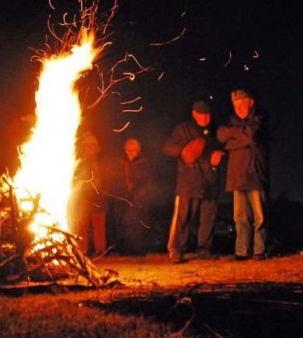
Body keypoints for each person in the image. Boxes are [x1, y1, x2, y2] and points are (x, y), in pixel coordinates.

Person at [163, 100, 224, 263]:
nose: (206, 118)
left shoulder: (213, 131)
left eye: (208, 115)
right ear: (194, 114)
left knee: (208, 218)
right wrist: (184, 151)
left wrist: (218, 154)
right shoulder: (183, 129)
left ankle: (204, 250)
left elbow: (221, 147)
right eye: (202, 115)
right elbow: (167, 147)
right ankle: (176, 251)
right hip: (188, 181)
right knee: (182, 218)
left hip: (210, 181)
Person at [217, 89, 269, 260]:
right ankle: (242, 251)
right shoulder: (231, 122)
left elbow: (251, 137)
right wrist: (239, 136)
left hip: (255, 174)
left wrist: (233, 139)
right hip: (237, 176)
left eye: (241, 104)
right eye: (235, 105)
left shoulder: (260, 119)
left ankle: (259, 251)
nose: (238, 108)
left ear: (251, 102)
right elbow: (221, 136)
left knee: (259, 215)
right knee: (240, 217)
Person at [70, 133, 109, 256]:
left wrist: (105, 189)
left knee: (99, 226)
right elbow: (74, 179)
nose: (90, 147)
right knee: (82, 225)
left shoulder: (102, 161)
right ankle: (82, 251)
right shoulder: (79, 162)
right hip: (83, 198)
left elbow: (108, 177)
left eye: (93, 145)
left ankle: (100, 251)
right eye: (87, 145)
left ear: (98, 147)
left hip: (99, 197)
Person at [112, 137, 152, 254]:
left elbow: (147, 180)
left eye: (133, 150)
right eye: (128, 150)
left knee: (137, 223)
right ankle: (125, 249)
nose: (131, 153)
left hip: (138, 197)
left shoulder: (143, 163)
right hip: (124, 197)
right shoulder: (122, 162)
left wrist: (139, 195)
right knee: (124, 223)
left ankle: (138, 250)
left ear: (138, 151)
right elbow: (116, 178)